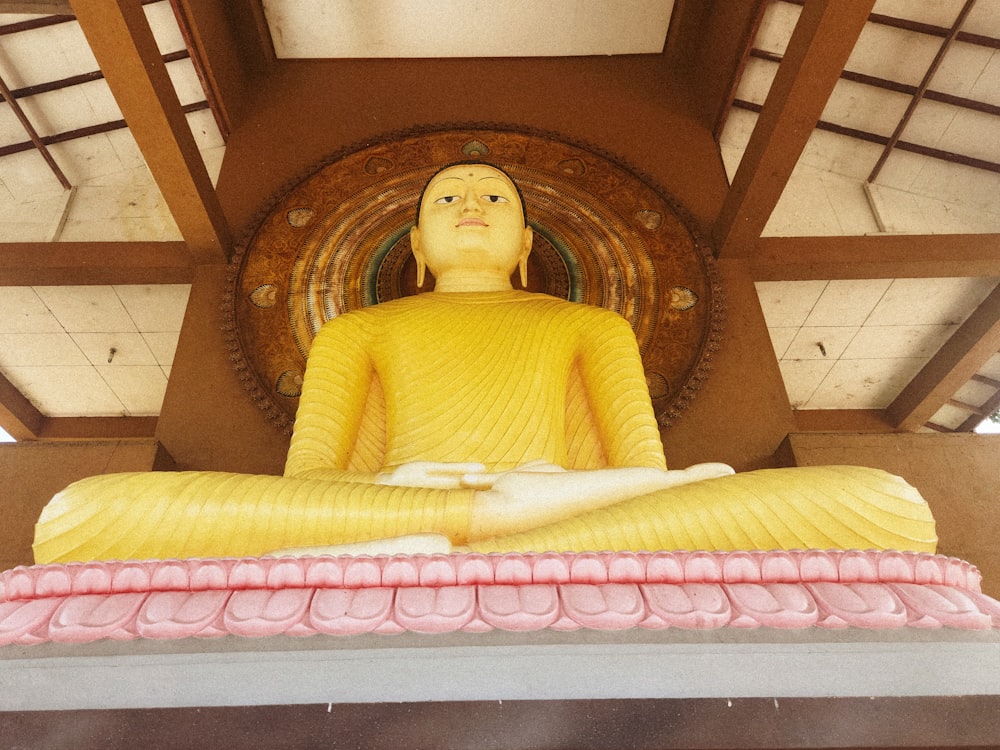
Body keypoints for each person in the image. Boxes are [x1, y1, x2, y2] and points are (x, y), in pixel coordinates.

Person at [32, 163, 937, 563]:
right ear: (418, 245)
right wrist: (440, 494)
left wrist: (538, 489)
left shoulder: (589, 325)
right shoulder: (360, 332)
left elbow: (645, 480)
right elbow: (312, 483)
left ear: (527, 238)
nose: (473, 203)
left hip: (550, 502)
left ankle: (479, 537)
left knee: (885, 504)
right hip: (402, 506)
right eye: (450, 198)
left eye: (495, 196)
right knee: (79, 517)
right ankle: (514, 531)